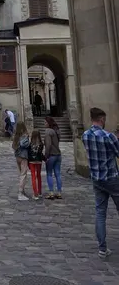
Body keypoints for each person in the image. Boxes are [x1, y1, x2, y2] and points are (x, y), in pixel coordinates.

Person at [82, 107, 119, 259]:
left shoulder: (85, 135)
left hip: (96, 179)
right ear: (102, 119)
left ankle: (102, 248)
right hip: (111, 178)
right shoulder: (108, 136)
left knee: (100, 213)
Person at [44, 116, 62, 199]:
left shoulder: (48, 131)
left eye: (45, 122)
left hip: (51, 155)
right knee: (58, 174)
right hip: (58, 155)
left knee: (49, 174)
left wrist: (46, 156)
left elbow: (48, 145)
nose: (44, 124)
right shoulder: (56, 131)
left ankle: (51, 192)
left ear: (48, 123)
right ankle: (59, 192)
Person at [12, 122, 30, 201]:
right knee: (23, 175)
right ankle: (20, 193)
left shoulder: (16, 136)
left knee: (21, 174)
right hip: (23, 156)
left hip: (17, 156)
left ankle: (22, 191)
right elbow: (24, 144)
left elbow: (13, 146)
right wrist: (28, 142)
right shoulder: (24, 135)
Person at [28, 130, 44, 200]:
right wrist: (45, 159)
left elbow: (28, 154)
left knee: (33, 177)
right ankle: (40, 192)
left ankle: (35, 193)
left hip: (32, 161)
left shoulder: (30, 144)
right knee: (38, 176)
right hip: (38, 161)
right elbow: (40, 154)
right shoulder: (41, 144)